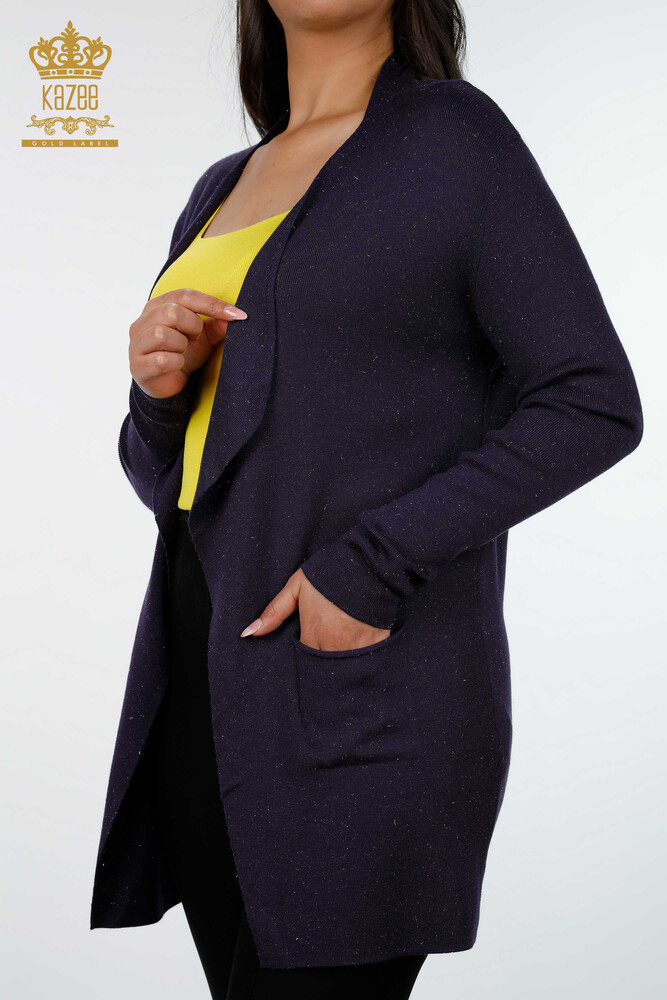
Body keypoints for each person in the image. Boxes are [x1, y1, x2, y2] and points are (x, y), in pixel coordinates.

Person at [90, 1, 644, 997]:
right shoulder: (221, 187)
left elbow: (592, 400)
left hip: (360, 687)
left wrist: (369, 569)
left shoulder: (453, 139)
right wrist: (158, 394)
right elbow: (170, 483)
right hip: (200, 677)